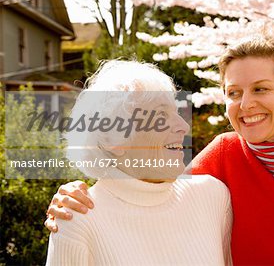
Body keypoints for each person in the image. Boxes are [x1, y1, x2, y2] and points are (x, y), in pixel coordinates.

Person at [45, 36, 274, 265]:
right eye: (233, 93)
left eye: (260, 89)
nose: (245, 104)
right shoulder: (222, 158)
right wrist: (79, 191)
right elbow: (150, 185)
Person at [45, 60, 232, 265]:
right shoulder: (78, 220)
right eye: (161, 115)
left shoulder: (213, 196)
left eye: (176, 112)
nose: (183, 126)